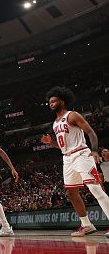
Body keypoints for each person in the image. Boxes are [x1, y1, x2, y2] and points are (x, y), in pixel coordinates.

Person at [41, 86, 109, 238]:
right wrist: (50, 143)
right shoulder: (55, 123)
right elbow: (62, 146)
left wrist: (95, 150)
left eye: (54, 101)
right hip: (67, 158)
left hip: (81, 154)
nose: (51, 104)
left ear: (62, 102)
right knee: (71, 192)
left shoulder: (72, 115)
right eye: (50, 102)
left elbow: (90, 132)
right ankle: (87, 225)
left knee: (95, 189)